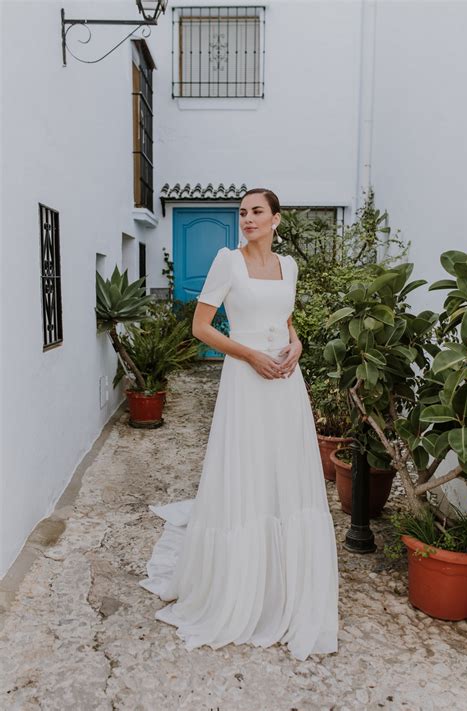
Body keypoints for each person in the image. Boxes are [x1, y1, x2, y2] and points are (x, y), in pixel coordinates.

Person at [139, 188, 339, 661]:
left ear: (276, 219)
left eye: (256, 212)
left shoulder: (289, 266)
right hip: (246, 380)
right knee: (247, 468)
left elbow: (286, 319)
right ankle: (240, 586)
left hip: (286, 381)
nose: (247, 219)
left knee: (285, 470)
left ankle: (286, 585)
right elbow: (202, 328)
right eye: (242, 213)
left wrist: (297, 345)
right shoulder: (228, 261)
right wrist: (250, 355)